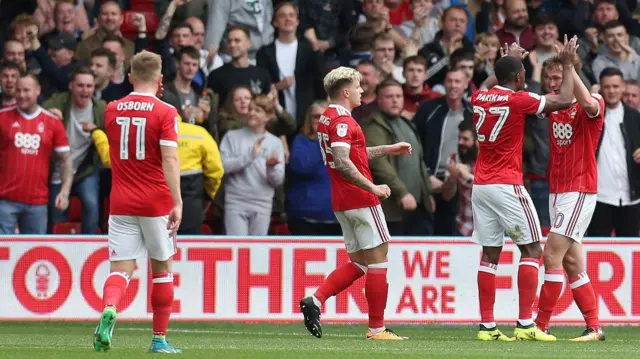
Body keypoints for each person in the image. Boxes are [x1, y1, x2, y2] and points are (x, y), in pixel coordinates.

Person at [471, 37, 578, 342]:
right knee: (532, 249)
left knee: (490, 254)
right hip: (507, 183)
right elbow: (564, 100)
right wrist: (568, 64)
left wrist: (508, 60)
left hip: (481, 185)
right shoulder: (518, 99)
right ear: (519, 78)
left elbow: (491, 81)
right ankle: (525, 323)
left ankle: (487, 327)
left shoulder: (479, 97)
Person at [299, 67, 412, 341]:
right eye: (358, 87)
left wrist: (388, 148)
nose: (362, 91)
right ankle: (377, 329)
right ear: (345, 91)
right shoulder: (343, 122)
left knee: (360, 262)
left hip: (342, 200)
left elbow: (353, 154)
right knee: (379, 261)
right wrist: (371, 186)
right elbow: (342, 159)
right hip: (360, 198)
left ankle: (315, 299)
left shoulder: (327, 118)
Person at [92, 50, 183, 353]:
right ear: (160, 80)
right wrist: (177, 202)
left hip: (121, 201)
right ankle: (158, 339)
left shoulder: (111, 109)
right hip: (156, 201)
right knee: (162, 270)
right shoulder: (166, 112)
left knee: (120, 268)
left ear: (130, 77)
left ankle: (109, 307)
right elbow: (169, 158)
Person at [533, 56, 606, 342]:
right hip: (557, 190)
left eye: (558, 77)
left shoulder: (593, 102)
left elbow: (588, 103)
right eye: (549, 79)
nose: (553, 84)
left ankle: (540, 325)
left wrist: (569, 67)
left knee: (550, 255)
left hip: (579, 189)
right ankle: (594, 327)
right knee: (572, 264)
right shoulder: (552, 104)